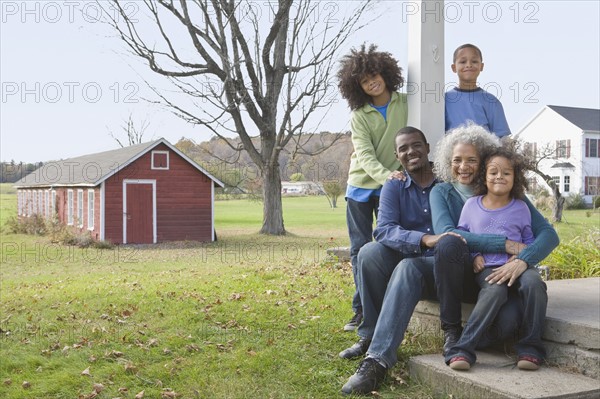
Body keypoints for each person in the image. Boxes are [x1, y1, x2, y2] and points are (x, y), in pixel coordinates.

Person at [339, 127, 463, 395]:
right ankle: (369, 335)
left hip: (442, 267)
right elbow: (383, 229)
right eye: (404, 149)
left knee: (408, 268)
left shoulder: (447, 183)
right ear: (397, 156)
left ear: (428, 147)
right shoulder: (394, 185)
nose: (411, 152)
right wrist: (423, 239)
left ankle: (377, 360)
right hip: (412, 254)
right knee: (369, 253)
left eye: (416, 145)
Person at [430, 123, 559, 371]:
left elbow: (539, 237)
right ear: (485, 175)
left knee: (533, 284)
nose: (464, 166)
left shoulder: (521, 205)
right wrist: (477, 253)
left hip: (518, 267)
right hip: (486, 269)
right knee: (496, 291)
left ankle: (531, 347)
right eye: (458, 160)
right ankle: (463, 347)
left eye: (472, 160)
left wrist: (523, 259)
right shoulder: (458, 199)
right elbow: (457, 234)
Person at [336, 44, 408, 331]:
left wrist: (395, 177)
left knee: (390, 245)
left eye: (374, 75)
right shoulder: (360, 115)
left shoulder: (406, 103)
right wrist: (387, 175)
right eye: (365, 81)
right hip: (361, 188)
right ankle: (361, 309)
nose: (372, 82)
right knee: (360, 250)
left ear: (385, 73)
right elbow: (364, 155)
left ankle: (388, 301)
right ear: (359, 87)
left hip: (390, 186)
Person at [445, 44, 511, 137]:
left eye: (474, 61)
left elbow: (502, 139)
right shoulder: (445, 99)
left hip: (484, 150)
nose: (469, 65)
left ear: (482, 66)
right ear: (454, 67)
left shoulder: (491, 101)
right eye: (463, 62)